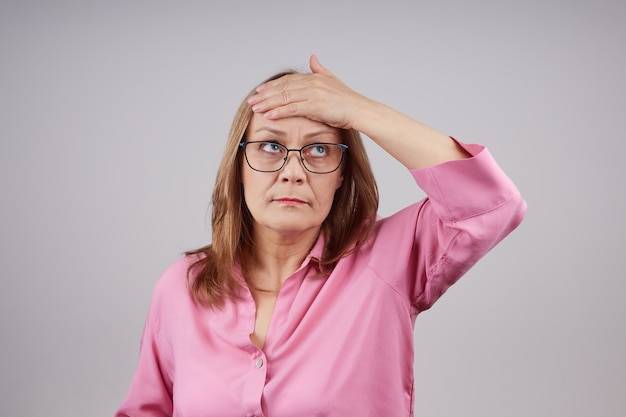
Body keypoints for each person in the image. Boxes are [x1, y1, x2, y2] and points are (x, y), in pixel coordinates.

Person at [115, 54, 526, 416]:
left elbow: (491, 205)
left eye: (318, 150)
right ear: (238, 166)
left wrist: (359, 111)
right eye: (271, 147)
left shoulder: (388, 263)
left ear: (342, 174)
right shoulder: (180, 289)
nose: (293, 171)